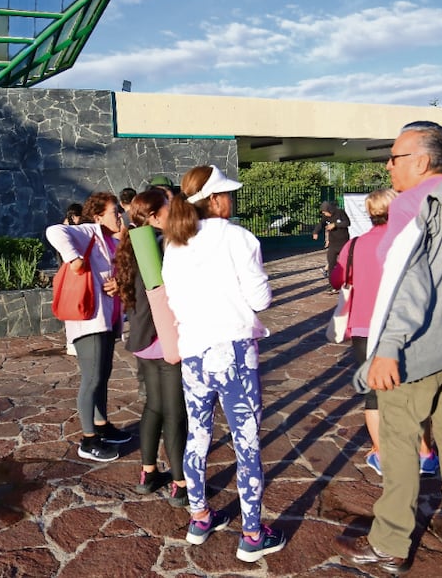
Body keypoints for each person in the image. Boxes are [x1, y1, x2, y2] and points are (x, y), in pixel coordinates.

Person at [335, 121, 442, 573]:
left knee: (399, 442)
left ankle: (390, 544)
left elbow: (407, 283)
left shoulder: (411, 204)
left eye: (395, 157)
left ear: (422, 161)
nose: (388, 166)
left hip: (415, 348)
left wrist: (385, 348)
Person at [161, 165, 286, 563]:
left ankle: (199, 517)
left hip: (194, 352)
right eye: (227, 193)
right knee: (245, 442)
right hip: (233, 349)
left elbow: (174, 302)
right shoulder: (239, 238)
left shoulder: (175, 245)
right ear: (214, 199)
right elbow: (260, 300)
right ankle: (252, 534)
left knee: (198, 434)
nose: (232, 199)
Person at [329, 189, 438, 479]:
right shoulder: (412, 243)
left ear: (369, 212)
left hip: (366, 329)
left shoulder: (353, 246)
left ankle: (381, 453)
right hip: (407, 326)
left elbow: (337, 278)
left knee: (374, 395)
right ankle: (425, 454)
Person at [114, 190, 188, 506]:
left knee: (154, 406)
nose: (175, 209)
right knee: (175, 412)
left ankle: (147, 473)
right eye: (169, 205)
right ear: (156, 215)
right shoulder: (159, 244)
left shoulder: (133, 243)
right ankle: (179, 483)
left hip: (144, 338)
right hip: (164, 339)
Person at [46, 192, 132, 462]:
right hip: (88, 320)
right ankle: (88, 439)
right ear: (98, 217)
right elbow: (54, 230)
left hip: (105, 318)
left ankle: (102, 425)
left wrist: (119, 283)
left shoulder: (109, 240)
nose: (120, 215)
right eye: (114, 211)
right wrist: (73, 259)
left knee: (103, 375)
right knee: (92, 378)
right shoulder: (88, 231)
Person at [313, 201, 351, 278]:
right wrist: (315, 232)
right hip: (333, 243)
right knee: (331, 263)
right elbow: (321, 224)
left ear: (330, 210)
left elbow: (347, 223)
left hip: (343, 242)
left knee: (345, 262)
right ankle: (332, 283)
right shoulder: (326, 216)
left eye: (325, 212)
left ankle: (346, 279)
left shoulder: (340, 212)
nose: (325, 214)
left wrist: (335, 225)